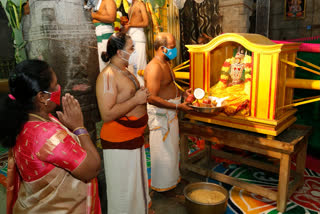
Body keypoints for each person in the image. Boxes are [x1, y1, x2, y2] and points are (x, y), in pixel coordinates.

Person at [0, 60, 101, 214]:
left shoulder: (23, 119)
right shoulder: (49, 135)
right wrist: (79, 127)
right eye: (55, 86)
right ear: (42, 96)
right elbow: (91, 169)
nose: (59, 88)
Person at [96, 32, 152, 214]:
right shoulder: (108, 76)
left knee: (135, 186)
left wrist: (141, 96)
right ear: (120, 53)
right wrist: (136, 100)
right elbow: (107, 113)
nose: (134, 50)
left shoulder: (124, 70)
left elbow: (129, 97)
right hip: (118, 142)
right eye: (131, 48)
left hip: (133, 138)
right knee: (123, 192)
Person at [144, 32, 192, 193]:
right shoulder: (154, 68)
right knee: (163, 152)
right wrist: (178, 107)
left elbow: (169, 87)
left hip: (170, 113)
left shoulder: (166, 62)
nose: (174, 51)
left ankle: (172, 180)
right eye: (171, 48)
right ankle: (163, 188)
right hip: (161, 117)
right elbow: (151, 98)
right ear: (162, 48)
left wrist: (183, 94)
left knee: (172, 150)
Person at [122, 0, 149, 86]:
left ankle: (143, 91)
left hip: (139, 39)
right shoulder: (131, 6)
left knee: (140, 68)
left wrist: (130, 25)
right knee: (131, 66)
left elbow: (146, 22)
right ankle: (134, 90)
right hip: (131, 38)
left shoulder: (140, 4)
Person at [91, 0, 117, 72]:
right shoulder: (99, 2)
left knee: (107, 65)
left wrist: (95, 16)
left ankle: (109, 82)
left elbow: (112, 18)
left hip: (105, 35)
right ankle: (106, 82)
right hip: (100, 34)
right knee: (103, 65)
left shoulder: (108, 1)